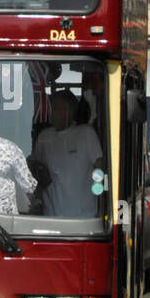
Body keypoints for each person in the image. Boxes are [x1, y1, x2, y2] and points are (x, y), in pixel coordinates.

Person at [33, 88, 104, 217]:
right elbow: (33, 168)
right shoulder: (44, 137)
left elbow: (100, 169)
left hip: (83, 219)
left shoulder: (86, 134)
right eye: (51, 108)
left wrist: (98, 192)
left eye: (56, 108)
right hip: (50, 219)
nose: (52, 113)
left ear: (70, 111)